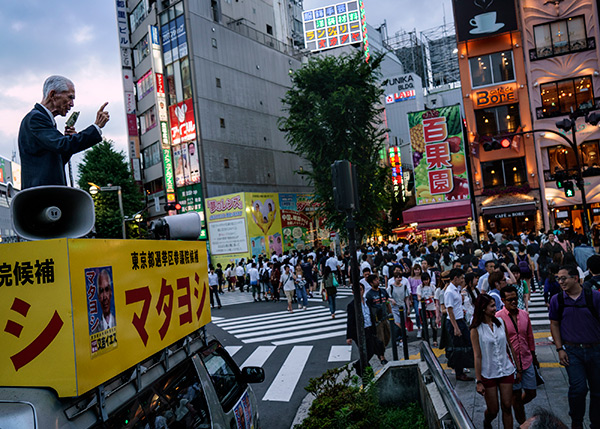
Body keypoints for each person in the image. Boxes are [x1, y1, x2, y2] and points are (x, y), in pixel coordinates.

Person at [19, 75, 110, 188]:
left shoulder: (42, 119)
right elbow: (62, 145)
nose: (72, 104)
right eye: (70, 97)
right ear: (52, 95)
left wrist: (68, 140)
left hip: (45, 193)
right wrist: (96, 127)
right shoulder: (36, 118)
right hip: (42, 194)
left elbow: (58, 159)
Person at [549, 265, 600, 429]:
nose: (560, 282)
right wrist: (559, 349)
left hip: (595, 349)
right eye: (558, 279)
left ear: (575, 278)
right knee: (578, 388)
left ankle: (596, 422)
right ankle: (576, 422)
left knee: (597, 390)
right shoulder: (558, 300)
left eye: (563, 278)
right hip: (572, 351)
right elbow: (554, 324)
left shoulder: (594, 297)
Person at [471, 293, 521, 429]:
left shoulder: (500, 323)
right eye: (492, 306)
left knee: (507, 406)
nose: (495, 308)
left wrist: (518, 368)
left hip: (506, 370)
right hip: (488, 373)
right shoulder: (476, 329)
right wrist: (478, 381)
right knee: (493, 410)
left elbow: (509, 346)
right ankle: (487, 422)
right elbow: (477, 355)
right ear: (483, 308)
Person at [497, 285, 537, 425]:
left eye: (515, 298)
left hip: (526, 359)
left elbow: (530, 336)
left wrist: (534, 355)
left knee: (532, 392)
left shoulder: (524, 315)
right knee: (516, 395)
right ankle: (522, 423)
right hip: (510, 364)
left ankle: (517, 404)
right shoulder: (498, 318)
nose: (514, 302)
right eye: (510, 300)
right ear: (503, 300)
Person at [346, 283, 386, 375]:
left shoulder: (367, 302)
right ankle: (366, 372)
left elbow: (371, 315)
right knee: (365, 351)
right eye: (356, 290)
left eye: (360, 289)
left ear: (363, 290)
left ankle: (359, 365)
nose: (359, 292)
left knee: (371, 350)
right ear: (353, 292)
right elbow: (350, 321)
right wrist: (349, 336)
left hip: (369, 329)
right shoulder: (352, 305)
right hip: (359, 332)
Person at [444, 268, 474, 381]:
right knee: (458, 348)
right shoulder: (449, 292)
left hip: (460, 320)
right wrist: (456, 327)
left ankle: (463, 368)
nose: (462, 280)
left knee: (465, 344)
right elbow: (449, 311)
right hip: (454, 322)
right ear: (455, 278)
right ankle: (459, 372)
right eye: (461, 278)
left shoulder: (456, 289)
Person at [365, 274, 392, 363]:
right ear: (371, 283)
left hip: (385, 317)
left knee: (387, 336)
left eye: (377, 279)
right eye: (376, 280)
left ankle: (379, 351)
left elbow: (387, 302)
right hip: (377, 320)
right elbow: (368, 308)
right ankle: (382, 356)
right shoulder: (369, 295)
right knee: (380, 338)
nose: (378, 281)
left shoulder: (383, 291)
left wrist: (390, 313)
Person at [387, 268, 411, 343]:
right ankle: (400, 338)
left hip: (402, 306)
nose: (399, 279)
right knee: (397, 323)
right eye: (397, 277)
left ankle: (400, 337)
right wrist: (391, 300)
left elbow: (407, 298)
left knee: (402, 323)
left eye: (400, 277)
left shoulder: (404, 287)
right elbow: (386, 297)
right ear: (394, 278)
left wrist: (408, 308)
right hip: (394, 307)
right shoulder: (390, 287)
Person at [417, 272, 438, 346]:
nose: (426, 281)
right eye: (424, 280)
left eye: (427, 280)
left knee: (433, 324)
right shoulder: (419, 287)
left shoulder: (432, 287)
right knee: (424, 324)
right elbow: (418, 297)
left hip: (431, 307)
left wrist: (431, 297)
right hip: (423, 307)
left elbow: (435, 295)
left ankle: (435, 340)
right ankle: (425, 339)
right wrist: (423, 299)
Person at [409, 264, 423, 338]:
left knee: (423, 313)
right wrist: (410, 300)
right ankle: (419, 328)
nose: (417, 271)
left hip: (422, 296)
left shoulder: (422, 278)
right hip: (414, 297)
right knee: (417, 313)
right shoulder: (410, 279)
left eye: (418, 269)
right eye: (415, 269)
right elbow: (410, 290)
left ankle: (423, 326)